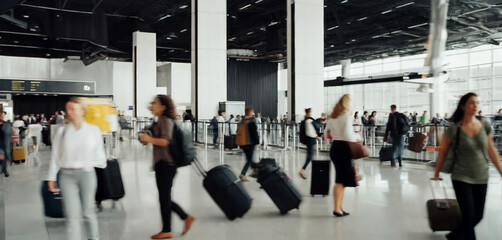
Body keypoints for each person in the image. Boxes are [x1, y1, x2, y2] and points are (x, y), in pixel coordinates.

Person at [433, 92, 502, 240]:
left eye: (477, 102)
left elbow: (491, 150)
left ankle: (455, 234)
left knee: (478, 215)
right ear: (463, 106)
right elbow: (443, 151)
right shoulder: (454, 128)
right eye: (471, 102)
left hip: (481, 175)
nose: (475, 105)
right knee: (469, 214)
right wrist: (436, 172)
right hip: (461, 175)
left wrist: (501, 170)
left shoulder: (485, 125)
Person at [46, 98, 107, 240]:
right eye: (67, 108)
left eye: (73, 108)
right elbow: (55, 156)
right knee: (72, 216)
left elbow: (101, 158)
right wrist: (51, 177)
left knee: (88, 212)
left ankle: (94, 237)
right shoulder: (61, 132)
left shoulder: (93, 130)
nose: (69, 112)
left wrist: (88, 161)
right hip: (67, 175)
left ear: (82, 111)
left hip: (87, 174)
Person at [139, 95, 196, 239]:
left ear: (163, 107)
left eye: (155, 103)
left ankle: (172, 226)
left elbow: (165, 141)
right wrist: (148, 136)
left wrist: (149, 139)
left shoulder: (165, 120)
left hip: (166, 164)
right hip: (164, 164)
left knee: (164, 198)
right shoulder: (160, 121)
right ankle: (175, 224)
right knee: (164, 198)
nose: (152, 105)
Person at [324, 94, 363, 217]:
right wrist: (359, 138)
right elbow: (348, 135)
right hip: (344, 148)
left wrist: (331, 139)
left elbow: (326, 133)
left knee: (341, 180)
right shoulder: (347, 116)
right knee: (341, 180)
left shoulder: (332, 117)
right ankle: (337, 208)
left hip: (335, 148)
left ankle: (339, 207)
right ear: (347, 103)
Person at [237, 107, 259, 182]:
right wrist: (257, 142)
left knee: (249, 159)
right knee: (249, 160)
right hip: (250, 144)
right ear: (250, 112)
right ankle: (243, 174)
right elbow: (254, 133)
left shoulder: (242, 121)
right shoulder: (251, 121)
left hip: (242, 144)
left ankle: (256, 170)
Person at [299, 108, 321, 179]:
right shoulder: (309, 120)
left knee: (310, 156)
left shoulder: (306, 120)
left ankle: (304, 170)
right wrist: (316, 137)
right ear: (308, 113)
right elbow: (309, 132)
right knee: (310, 156)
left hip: (309, 140)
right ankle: (302, 170)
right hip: (310, 140)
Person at [0, 111, 12, 177]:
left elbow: (8, 134)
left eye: (3, 115)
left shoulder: (6, 124)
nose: (3, 117)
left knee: (4, 156)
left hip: (4, 143)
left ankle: (4, 170)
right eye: (2, 115)